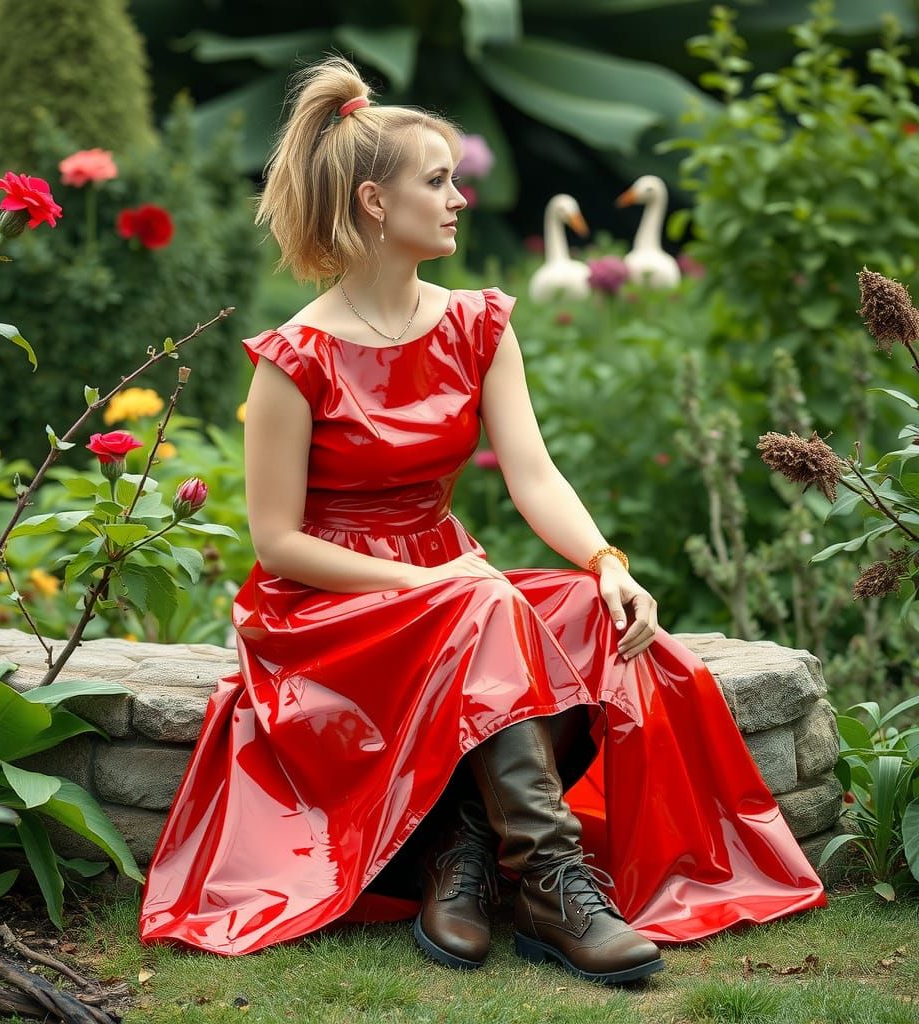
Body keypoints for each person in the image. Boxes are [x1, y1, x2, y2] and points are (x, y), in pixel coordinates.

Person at [138, 56, 826, 985]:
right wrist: (429, 581)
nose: (459, 198)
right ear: (375, 203)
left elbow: (534, 476)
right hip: (324, 609)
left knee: (588, 615)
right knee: (487, 603)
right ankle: (550, 879)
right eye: (438, 181)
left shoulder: (479, 324)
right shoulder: (292, 360)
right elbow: (278, 545)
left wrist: (608, 562)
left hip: (449, 590)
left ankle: (460, 849)